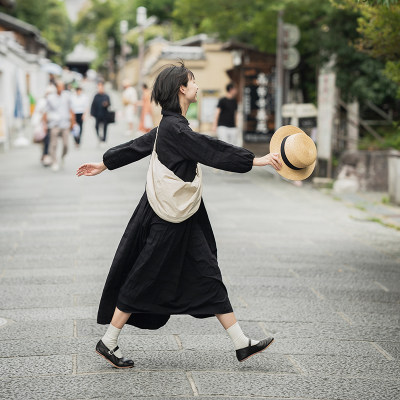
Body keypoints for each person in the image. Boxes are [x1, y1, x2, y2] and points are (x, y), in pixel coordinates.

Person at [77, 63, 281, 369]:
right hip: (167, 217)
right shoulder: (176, 128)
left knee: (208, 272)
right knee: (143, 275)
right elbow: (210, 148)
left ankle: (241, 343)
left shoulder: (170, 126)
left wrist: (104, 163)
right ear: (181, 89)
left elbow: (137, 146)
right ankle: (108, 341)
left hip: (183, 215)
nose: (197, 86)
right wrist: (255, 160)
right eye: (193, 81)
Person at [44, 80, 75, 172]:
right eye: (59, 86)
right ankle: (54, 161)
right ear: (56, 87)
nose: (61, 88)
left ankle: (62, 156)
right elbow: (45, 111)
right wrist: (45, 125)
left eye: (62, 86)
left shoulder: (67, 96)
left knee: (66, 145)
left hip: (65, 124)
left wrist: (73, 122)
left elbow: (71, 109)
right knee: (53, 144)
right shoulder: (50, 98)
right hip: (54, 124)